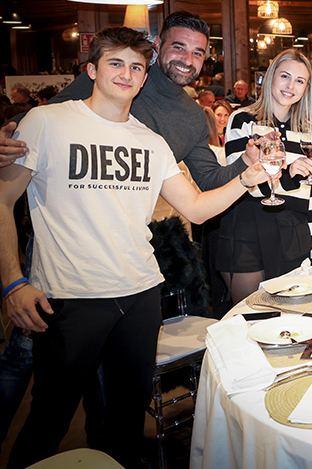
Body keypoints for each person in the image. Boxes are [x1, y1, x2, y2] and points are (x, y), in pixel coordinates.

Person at [0, 27, 269, 468]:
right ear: (91, 70)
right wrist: (13, 281)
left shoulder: (151, 142)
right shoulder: (47, 122)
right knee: (48, 420)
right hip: (69, 297)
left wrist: (246, 179)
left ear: (145, 77)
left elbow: (197, 208)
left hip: (141, 296)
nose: (126, 74)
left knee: (126, 422)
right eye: (115, 63)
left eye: (136, 67)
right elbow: (3, 199)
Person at [217, 49, 312, 303]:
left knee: (291, 314)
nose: (291, 86)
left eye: (300, 81)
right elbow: (242, 182)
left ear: (306, 89)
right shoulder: (243, 120)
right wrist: (288, 175)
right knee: (251, 314)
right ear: (270, 77)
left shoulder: (308, 132)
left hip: (293, 231)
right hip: (247, 227)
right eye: (285, 76)